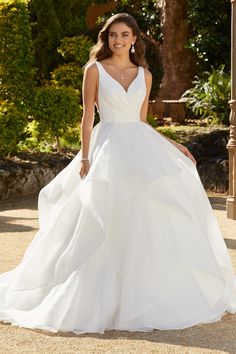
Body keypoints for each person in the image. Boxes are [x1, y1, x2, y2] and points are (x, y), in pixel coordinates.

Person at [0, 12, 235, 335]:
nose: (118, 40)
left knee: (143, 216)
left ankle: (140, 291)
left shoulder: (144, 74)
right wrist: (84, 157)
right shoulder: (93, 70)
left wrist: (173, 144)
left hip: (140, 147)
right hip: (106, 147)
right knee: (101, 215)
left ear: (135, 39)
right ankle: (96, 294)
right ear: (106, 38)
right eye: (113, 35)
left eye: (124, 35)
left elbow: (141, 122)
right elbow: (86, 116)